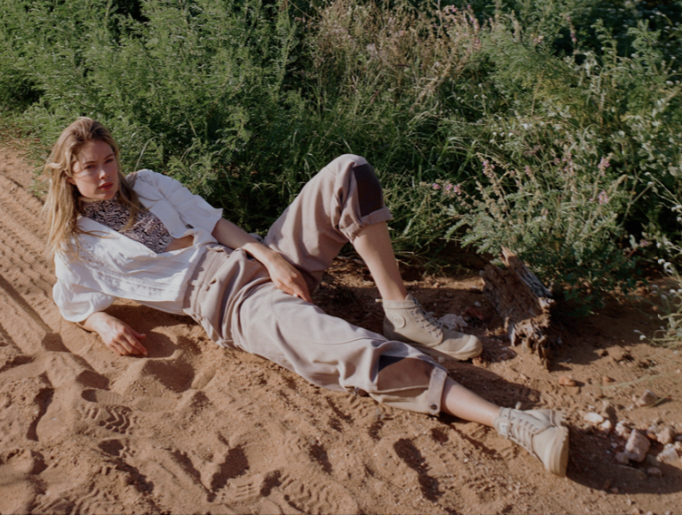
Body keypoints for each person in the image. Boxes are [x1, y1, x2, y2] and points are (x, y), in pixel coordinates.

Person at [45, 117, 569, 477]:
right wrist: (100, 323)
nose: (104, 174)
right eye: (89, 168)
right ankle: (509, 422)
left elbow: (217, 224)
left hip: (260, 259)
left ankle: (401, 312)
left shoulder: (150, 182)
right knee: (351, 350)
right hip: (231, 304)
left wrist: (271, 258)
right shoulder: (77, 244)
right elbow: (70, 297)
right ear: (69, 177)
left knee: (348, 170)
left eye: (108, 160)